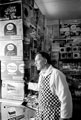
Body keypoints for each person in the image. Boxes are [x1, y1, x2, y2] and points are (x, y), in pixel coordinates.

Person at [33, 51, 73, 120]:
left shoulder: (56, 74)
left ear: (45, 61)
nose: (35, 63)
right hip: (42, 112)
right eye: (35, 61)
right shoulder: (41, 74)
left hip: (52, 114)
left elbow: (65, 97)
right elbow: (41, 88)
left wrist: (64, 117)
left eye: (37, 60)